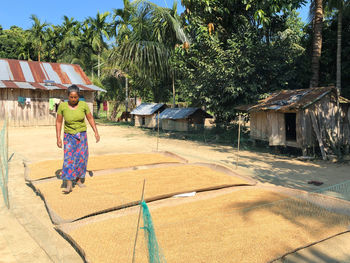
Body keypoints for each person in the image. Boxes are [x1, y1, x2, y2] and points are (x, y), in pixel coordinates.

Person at [56, 85, 100, 194]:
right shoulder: (63, 106)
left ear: (78, 96)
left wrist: (96, 131)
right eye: (71, 97)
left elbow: (90, 118)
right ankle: (69, 183)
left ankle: (79, 180)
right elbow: (58, 122)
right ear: (68, 96)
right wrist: (58, 138)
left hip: (82, 135)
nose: (73, 99)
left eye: (76, 97)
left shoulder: (83, 105)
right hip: (69, 136)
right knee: (69, 158)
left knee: (82, 157)